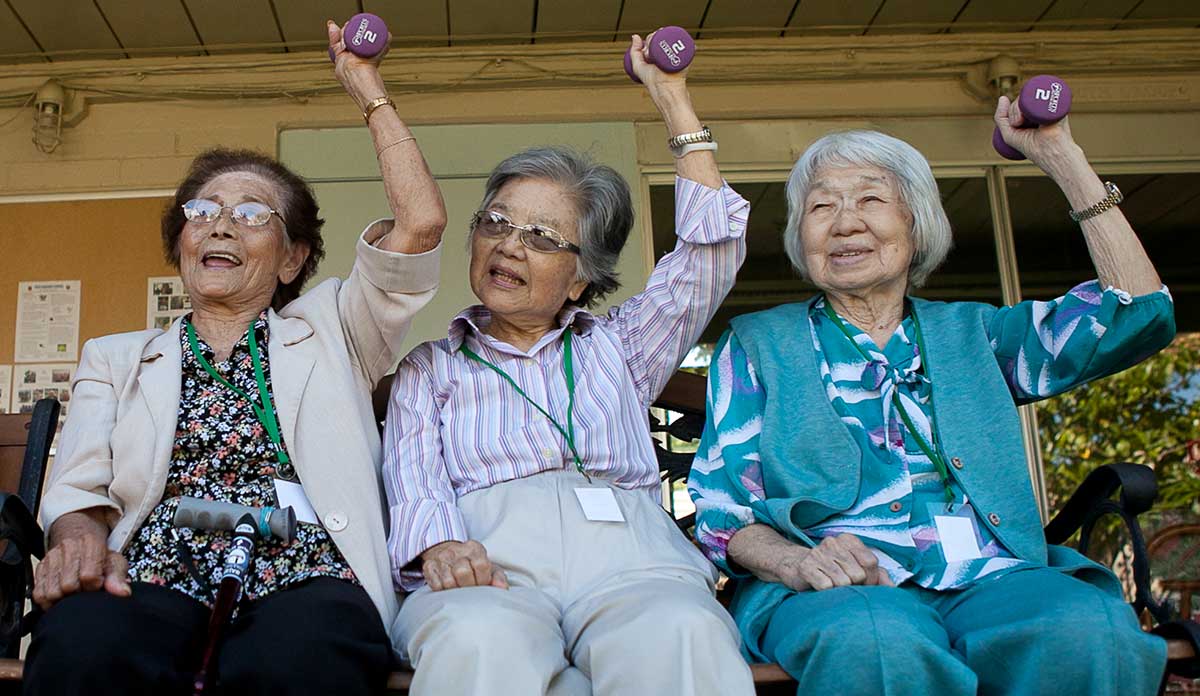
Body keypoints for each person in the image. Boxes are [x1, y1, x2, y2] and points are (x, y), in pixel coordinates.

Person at [687, 103, 1174, 695]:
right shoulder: (759, 344)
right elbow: (723, 512)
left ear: (916, 226)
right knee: (874, 641)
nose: (844, 223)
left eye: (870, 200)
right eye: (821, 206)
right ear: (801, 237)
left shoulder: (978, 333)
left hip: (992, 575)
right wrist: (796, 562)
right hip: (838, 588)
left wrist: (1061, 158)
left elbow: (1137, 316)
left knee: (1084, 627)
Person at [24, 20, 446, 695]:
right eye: (203, 210)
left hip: (308, 570)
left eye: (253, 214)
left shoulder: (334, 328)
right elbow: (79, 487)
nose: (220, 223)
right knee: (83, 646)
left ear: (293, 258)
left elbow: (420, 224)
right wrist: (75, 535)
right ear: (182, 242)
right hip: (155, 566)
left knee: (299, 664)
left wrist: (367, 90)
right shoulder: (115, 357)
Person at [382, 33, 755, 696]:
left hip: (631, 562)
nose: (509, 246)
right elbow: (414, 479)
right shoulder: (430, 369)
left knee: (683, 633)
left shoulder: (623, 345)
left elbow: (711, 255)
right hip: (489, 563)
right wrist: (438, 546)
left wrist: (672, 98)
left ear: (581, 279)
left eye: (542, 238)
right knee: (477, 639)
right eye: (495, 222)